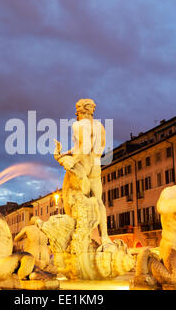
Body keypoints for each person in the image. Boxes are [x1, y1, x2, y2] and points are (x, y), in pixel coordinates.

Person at [54, 98, 110, 245]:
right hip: (96, 165)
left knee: (69, 196)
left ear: (79, 110)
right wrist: (66, 153)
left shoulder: (78, 125)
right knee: (98, 201)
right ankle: (105, 237)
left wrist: (72, 160)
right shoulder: (100, 126)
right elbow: (99, 147)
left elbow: (83, 147)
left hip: (82, 163)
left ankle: (75, 235)